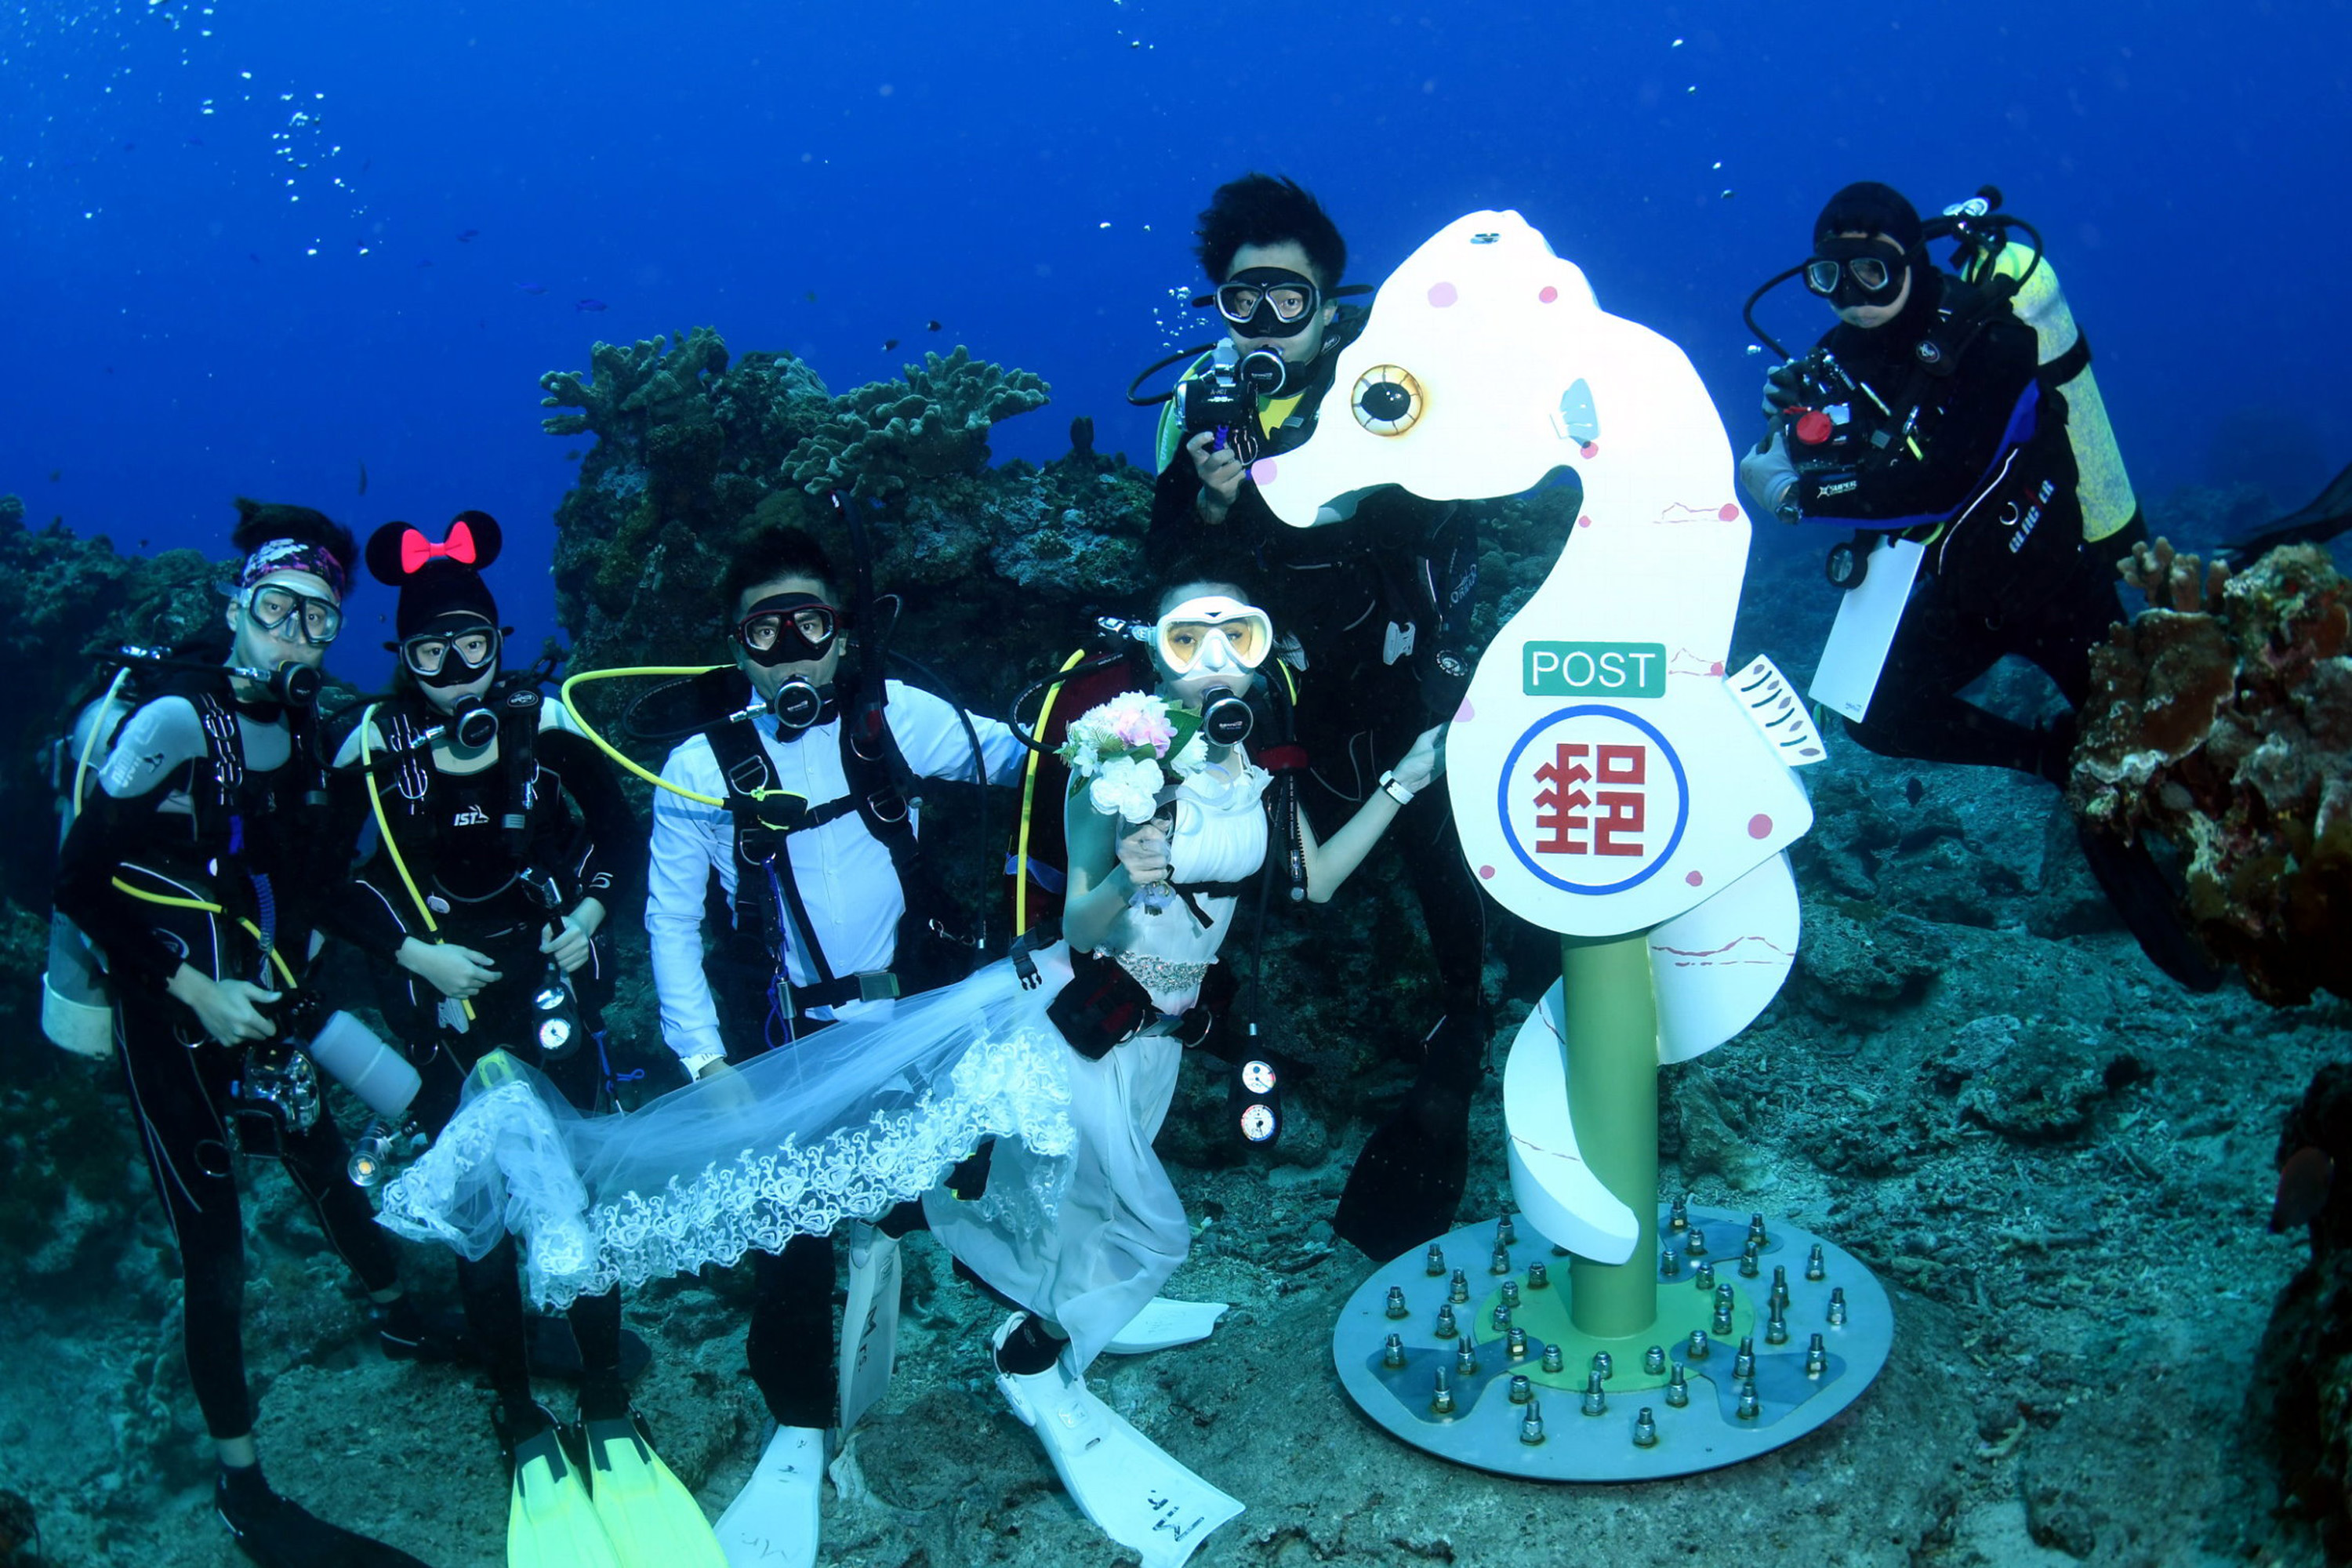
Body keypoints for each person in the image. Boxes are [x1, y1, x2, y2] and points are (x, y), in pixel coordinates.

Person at [379, 572, 1444, 1568]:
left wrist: (1405, 777)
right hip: (1004, 1020)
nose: (1215, 656)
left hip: (1156, 1032)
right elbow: (1073, 916)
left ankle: (1058, 1302)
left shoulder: (1247, 766)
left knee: (1065, 1200)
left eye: (1238, 635)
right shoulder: (1099, 764)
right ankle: (997, 1372)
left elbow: (1292, 872)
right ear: (1153, 656)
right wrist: (704, 1054)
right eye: (1188, 636)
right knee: (1034, 1217)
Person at [51, 501, 430, 1567]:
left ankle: (400, 1312)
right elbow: (79, 881)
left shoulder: (310, 728)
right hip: (169, 1016)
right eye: (278, 610)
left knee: (322, 1165)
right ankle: (241, 1487)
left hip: (261, 1001)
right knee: (211, 1247)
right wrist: (189, 989)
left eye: (320, 621)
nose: (297, 636)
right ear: (236, 607)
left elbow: (316, 877)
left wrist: (357, 964)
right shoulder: (174, 720)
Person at [641, 525, 1025, 1568]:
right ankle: (798, 1420)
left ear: (843, 633)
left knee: (972, 1178)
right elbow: (672, 924)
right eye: (766, 632)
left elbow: (1023, 757)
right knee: (788, 1240)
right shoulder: (698, 765)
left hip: (915, 1016)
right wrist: (705, 1064)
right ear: (738, 651)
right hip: (789, 1037)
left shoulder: (892, 720)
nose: (792, 649)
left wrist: (1122, 743)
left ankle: (1040, 1337)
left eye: (811, 622)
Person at [1737, 180, 2216, 989]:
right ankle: (2048, 756)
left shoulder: (1991, 335)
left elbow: (1940, 479)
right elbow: (1858, 463)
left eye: (1873, 274)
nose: (1852, 297)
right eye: (1832, 277)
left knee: (2153, 750)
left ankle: (2228, 890)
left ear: (1913, 264)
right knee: (1877, 713)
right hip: (1963, 591)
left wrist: (1794, 492)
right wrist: (1799, 436)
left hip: (2058, 580)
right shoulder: (1836, 358)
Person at [321, 513, 676, 1567]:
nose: (454, 670)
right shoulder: (371, 749)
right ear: (399, 659)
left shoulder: (548, 724)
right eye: (429, 652)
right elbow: (322, 882)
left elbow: (618, 831)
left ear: (498, 640)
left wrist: (590, 915)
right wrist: (417, 959)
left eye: (471, 644)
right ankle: (517, 1408)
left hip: (548, 979)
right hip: (440, 1000)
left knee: (573, 1186)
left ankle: (604, 1386)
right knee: (480, 1204)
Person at [1145, 172, 1487, 1262]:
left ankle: (1445, 1096)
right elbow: (1166, 578)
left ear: (1329, 308)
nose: (1261, 324)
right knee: (1225, 893)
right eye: (1240, 301)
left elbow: (1437, 525)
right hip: (1262, 705)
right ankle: (1186, 1070)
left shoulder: (1378, 390)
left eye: (1287, 301)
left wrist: (1315, 475)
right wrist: (1205, 496)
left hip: (1387, 692)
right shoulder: (1192, 410)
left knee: (1461, 916)